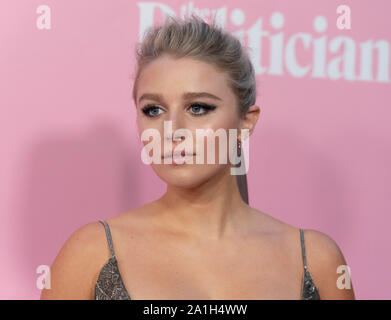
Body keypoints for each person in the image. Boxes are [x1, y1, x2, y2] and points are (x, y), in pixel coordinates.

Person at [40, 14, 355, 300]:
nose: (172, 130)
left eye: (198, 108)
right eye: (153, 110)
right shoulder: (91, 254)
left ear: (247, 121)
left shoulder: (316, 261)